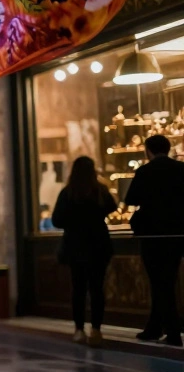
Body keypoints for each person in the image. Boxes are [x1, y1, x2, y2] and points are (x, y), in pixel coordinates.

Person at [50, 156, 117, 346]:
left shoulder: (68, 193)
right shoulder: (100, 191)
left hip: (76, 245)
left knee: (78, 289)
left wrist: (73, 221)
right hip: (98, 245)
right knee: (97, 289)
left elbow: (56, 220)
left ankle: (79, 329)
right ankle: (96, 330)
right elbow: (112, 207)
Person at [124, 134, 184, 346]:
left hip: (152, 234)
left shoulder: (145, 171)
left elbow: (131, 199)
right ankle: (156, 326)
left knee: (159, 282)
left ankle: (171, 330)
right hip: (177, 234)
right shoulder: (181, 169)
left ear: (148, 151)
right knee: (168, 280)